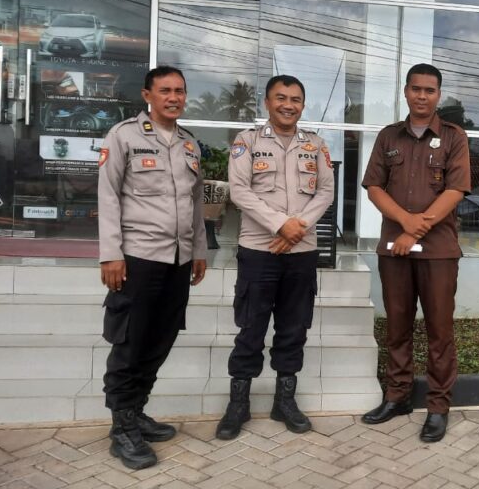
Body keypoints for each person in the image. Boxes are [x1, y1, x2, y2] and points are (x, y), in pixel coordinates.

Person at [97, 65, 207, 470]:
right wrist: (111, 253)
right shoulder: (124, 136)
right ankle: (122, 427)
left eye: (180, 91)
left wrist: (199, 250)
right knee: (131, 342)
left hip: (178, 260)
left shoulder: (190, 144)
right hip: (138, 258)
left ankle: (136, 410)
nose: (174, 98)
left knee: (161, 339)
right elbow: (108, 195)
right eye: (165, 91)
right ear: (148, 95)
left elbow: (195, 204)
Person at [216, 75, 335, 439]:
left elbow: (326, 192)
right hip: (259, 250)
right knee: (251, 328)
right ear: (266, 103)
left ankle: (285, 402)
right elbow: (240, 191)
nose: (288, 105)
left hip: (301, 252)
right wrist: (281, 225)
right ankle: (238, 404)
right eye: (280, 98)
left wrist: (298, 227)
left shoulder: (316, 144)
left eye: (295, 99)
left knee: (294, 328)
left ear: (303, 105)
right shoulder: (247, 141)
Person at [360, 63, 471, 443]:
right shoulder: (388, 136)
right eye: (416, 89)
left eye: (430, 90)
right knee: (397, 326)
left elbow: (455, 190)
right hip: (395, 250)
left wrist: (415, 229)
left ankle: (438, 407)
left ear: (438, 95)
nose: (422, 96)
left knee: (440, 331)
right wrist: (405, 223)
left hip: (438, 252)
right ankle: (398, 397)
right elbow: (374, 187)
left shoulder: (454, 137)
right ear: (405, 91)